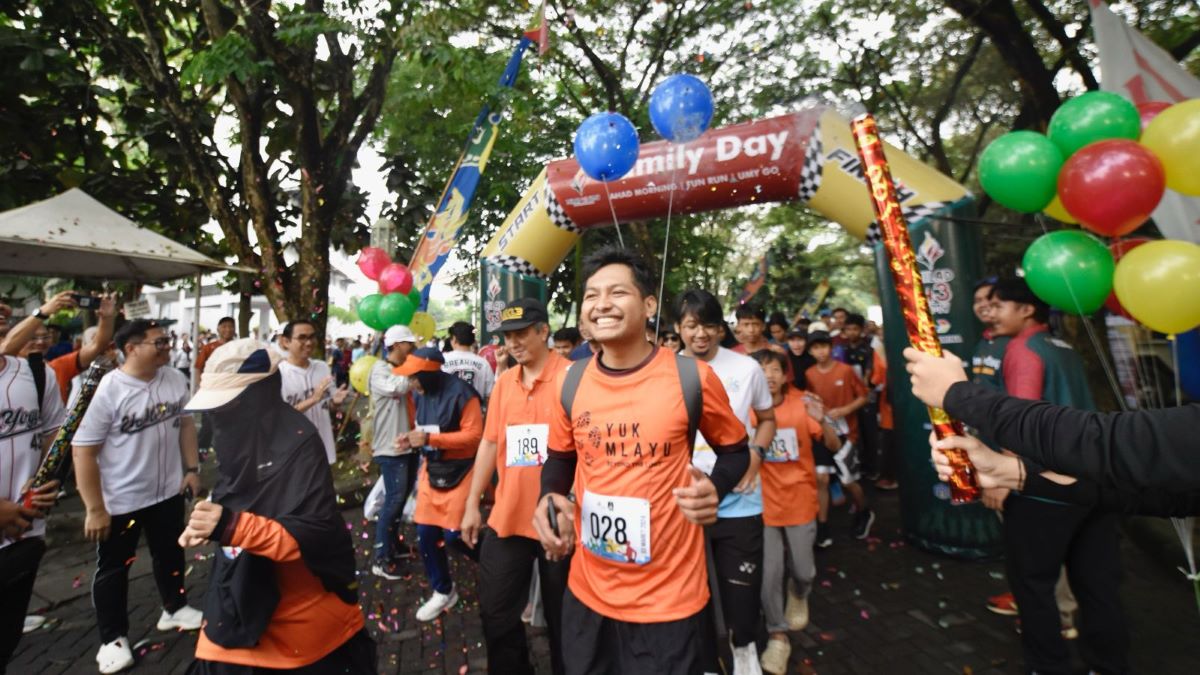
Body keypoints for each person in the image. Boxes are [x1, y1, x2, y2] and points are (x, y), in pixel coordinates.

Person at [533, 246, 751, 675]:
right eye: (592, 295)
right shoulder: (570, 381)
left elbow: (736, 451)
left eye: (617, 292)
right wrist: (548, 496)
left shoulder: (693, 377)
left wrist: (715, 488)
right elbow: (559, 457)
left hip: (670, 600)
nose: (602, 304)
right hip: (588, 591)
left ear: (649, 305)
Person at [179, 339, 375, 673]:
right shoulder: (239, 440)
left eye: (228, 406)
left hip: (302, 633)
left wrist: (230, 526)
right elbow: (240, 496)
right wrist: (209, 518)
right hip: (234, 614)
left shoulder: (297, 444)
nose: (219, 417)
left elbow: (312, 532)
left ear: (256, 398)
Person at [970, 278, 1128, 675]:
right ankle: (1109, 665)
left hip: (1043, 492)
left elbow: (1019, 423)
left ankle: (1048, 666)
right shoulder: (1065, 348)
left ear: (1026, 310)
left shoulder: (1022, 350)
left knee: (1034, 588)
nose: (993, 312)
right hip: (1094, 485)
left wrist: (1003, 479)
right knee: (1098, 587)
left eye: (1000, 304)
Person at [71, 320, 204, 674]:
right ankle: (112, 638)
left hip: (166, 490)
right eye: (159, 342)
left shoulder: (174, 378)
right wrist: (94, 508)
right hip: (121, 499)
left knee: (170, 550)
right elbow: (82, 451)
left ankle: (174, 606)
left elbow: (186, 423)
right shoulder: (106, 390)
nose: (167, 347)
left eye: (167, 340)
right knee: (114, 568)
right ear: (131, 348)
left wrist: (191, 468)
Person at [906, 348, 1200, 492]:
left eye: (997, 302)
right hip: (1059, 469)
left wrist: (957, 394)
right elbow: (1154, 487)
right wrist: (1008, 472)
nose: (987, 309)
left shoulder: (1025, 348)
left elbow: (1110, 442)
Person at [460, 298, 571, 675]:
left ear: (544, 331)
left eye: (522, 333)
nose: (514, 343)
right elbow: (490, 442)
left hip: (560, 522)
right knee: (496, 613)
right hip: (508, 518)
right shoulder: (505, 381)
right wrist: (472, 503)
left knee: (565, 621)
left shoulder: (572, 379)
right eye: (508, 336)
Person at [675, 289, 776, 674]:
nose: (701, 334)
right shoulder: (666, 370)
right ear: (678, 328)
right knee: (691, 592)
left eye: (709, 325)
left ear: (722, 328)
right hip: (685, 502)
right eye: (691, 325)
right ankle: (703, 659)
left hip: (741, 500)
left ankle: (745, 649)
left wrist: (756, 454)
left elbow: (766, 419)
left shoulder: (747, 368)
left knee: (741, 591)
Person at [750, 350, 840, 675]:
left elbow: (833, 445)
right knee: (768, 575)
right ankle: (777, 635)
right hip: (761, 504)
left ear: (786, 374)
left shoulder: (803, 403)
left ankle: (798, 592)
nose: (769, 376)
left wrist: (824, 416)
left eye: (775, 369)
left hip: (800, 500)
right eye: (762, 370)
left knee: (803, 571)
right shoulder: (745, 408)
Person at [393, 348, 484, 622]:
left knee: (457, 536)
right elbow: (424, 431)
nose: (411, 383)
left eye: (414, 377)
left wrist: (431, 441)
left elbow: (475, 436)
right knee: (426, 535)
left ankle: (501, 565)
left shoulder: (463, 394)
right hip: (431, 471)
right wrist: (410, 440)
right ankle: (443, 590)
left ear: (429, 374)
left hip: (462, 471)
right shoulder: (419, 396)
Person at [0, 343, 65, 675]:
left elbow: (55, 430)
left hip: (23, 534)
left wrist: (47, 477)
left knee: (6, 639)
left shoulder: (36, 373)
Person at [804, 331, 874, 544]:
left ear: (831, 347)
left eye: (823, 346)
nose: (820, 352)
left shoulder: (845, 371)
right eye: (815, 348)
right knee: (822, 478)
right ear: (810, 351)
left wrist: (844, 410)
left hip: (847, 434)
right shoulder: (809, 374)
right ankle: (823, 526)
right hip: (822, 433)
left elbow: (864, 396)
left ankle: (865, 511)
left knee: (848, 481)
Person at [368, 325, 419, 579]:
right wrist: (415, 373)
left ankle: (394, 545)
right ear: (397, 345)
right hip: (390, 448)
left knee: (400, 498)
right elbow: (395, 388)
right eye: (409, 344)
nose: (413, 348)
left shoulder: (402, 370)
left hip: (408, 444)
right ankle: (380, 558)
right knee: (393, 501)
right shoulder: (380, 370)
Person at [278, 320, 349, 465]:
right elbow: (278, 417)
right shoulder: (278, 374)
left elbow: (327, 405)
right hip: (294, 453)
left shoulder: (322, 367)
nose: (309, 342)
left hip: (323, 446)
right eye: (302, 338)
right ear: (286, 342)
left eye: (312, 337)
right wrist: (313, 399)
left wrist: (335, 402)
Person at [837, 313, 881, 481]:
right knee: (853, 433)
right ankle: (857, 466)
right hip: (848, 398)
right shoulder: (842, 351)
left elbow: (870, 373)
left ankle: (872, 468)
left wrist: (864, 388)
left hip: (866, 397)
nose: (851, 332)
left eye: (855, 329)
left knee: (870, 433)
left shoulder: (869, 350)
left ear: (862, 330)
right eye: (848, 329)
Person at [442, 321, 495, 400]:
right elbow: (490, 394)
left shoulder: (441, 360)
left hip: (447, 411)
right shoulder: (483, 363)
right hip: (475, 410)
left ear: (454, 339)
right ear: (472, 340)